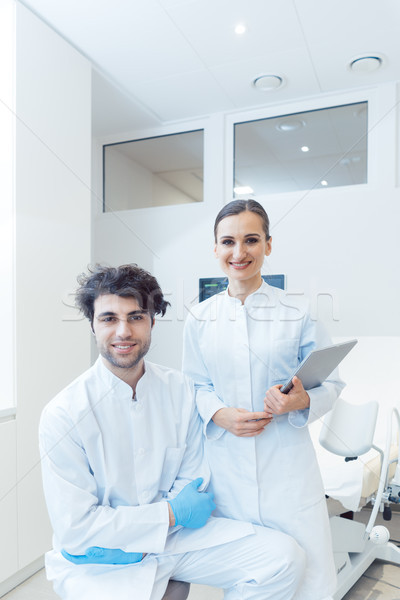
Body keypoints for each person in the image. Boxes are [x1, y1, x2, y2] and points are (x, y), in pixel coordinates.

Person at [39, 263, 307, 600]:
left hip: (174, 537)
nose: (124, 331)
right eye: (109, 318)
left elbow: (192, 477)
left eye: (136, 317)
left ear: (152, 321)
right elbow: (77, 526)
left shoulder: (180, 388)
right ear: (92, 325)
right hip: (99, 557)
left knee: (283, 558)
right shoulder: (63, 414)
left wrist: (167, 519)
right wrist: (165, 514)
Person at [182, 200, 345, 600]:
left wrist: (300, 402)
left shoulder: (299, 312)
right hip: (228, 470)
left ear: (268, 245)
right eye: (228, 242)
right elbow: (193, 386)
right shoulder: (199, 318)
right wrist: (219, 414)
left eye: (251, 240)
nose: (239, 253)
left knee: (308, 576)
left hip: (287, 469)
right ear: (215, 249)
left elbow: (331, 384)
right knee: (250, 577)